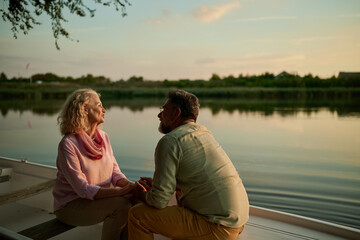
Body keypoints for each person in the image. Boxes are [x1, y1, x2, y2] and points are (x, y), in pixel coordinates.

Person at [129, 89, 249, 240]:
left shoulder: (170, 141)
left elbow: (158, 201)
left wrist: (143, 194)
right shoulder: (203, 134)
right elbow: (196, 179)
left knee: (138, 215)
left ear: (176, 113)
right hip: (238, 222)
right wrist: (161, 185)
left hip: (218, 227)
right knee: (178, 197)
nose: (159, 115)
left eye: (163, 110)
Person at [52, 89, 134, 240]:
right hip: (70, 206)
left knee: (136, 202)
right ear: (84, 109)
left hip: (95, 200)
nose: (104, 110)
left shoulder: (104, 137)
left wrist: (132, 186)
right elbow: (82, 189)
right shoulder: (68, 144)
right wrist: (120, 192)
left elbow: (115, 174)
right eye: (99, 105)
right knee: (122, 205)